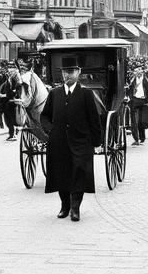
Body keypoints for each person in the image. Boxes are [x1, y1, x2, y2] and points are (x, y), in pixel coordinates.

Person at [40, 56, 104, 222]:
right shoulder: (55, 94)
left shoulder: (86, 95)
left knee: (79, 172)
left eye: (71, 71)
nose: (67, 75)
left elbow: (94, 121)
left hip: (81, 142)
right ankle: (65, 206)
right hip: (59, 142)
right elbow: (44, 116)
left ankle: (75, 208)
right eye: (64, 72)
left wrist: (96, 142)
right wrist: (51, 131)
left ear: (78, 72)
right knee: (62, 173)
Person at [128, 68, 148, 145]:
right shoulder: (132, 80)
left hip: (144, 101)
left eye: (139, 72)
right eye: (136, 72)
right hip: (135, 101)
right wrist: (131, 98)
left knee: (142, 121)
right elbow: (130, 89)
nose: (137, 73)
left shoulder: (146, 80)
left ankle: (142, 137)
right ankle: (136, 138)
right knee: (134, 121)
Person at [0, 68, 19, 141]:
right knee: (8, 120)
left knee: (11, 119)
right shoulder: (7, 81)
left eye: (11, 72)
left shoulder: (15, 81)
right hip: (6, 104)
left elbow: (16, 92)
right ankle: (11, 134)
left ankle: (13, 134)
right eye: (9, 71)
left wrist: (4, 95)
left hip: (11, 103)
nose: (9, 73)